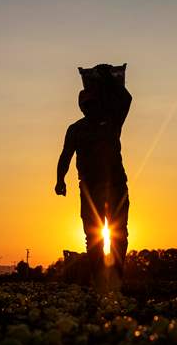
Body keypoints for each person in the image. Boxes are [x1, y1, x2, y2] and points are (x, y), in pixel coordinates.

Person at [55, 64, 132, 291]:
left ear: (100, 103)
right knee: (94, 236)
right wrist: (60, 179)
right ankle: (100, 280)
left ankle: (115, 279)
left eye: (93, 103)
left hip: (116, 185)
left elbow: (126, 99)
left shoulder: (112, 121)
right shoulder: (76, 129)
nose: (89, 108)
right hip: (89, 189)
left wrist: (108, 76)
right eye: (86, 105)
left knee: (119, 234)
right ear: (81, 107)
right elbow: (65, 156)